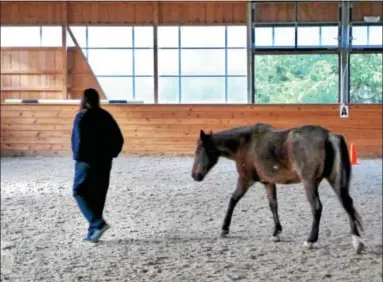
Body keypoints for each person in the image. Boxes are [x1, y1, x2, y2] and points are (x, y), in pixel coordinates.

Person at [71, 88, 124, 242]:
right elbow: (118, 138)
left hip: (87, 162)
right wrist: (111, 154)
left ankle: (97, 223)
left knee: (78, 191)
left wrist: (79, 158)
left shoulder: (81, 117)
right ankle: (92, 232)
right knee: (98, 194)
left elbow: (78, 141)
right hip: (105, 161)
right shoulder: (106, 116)